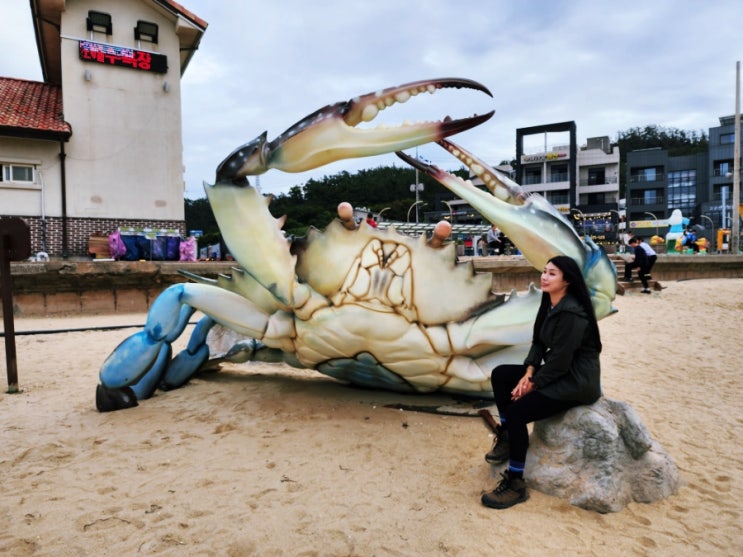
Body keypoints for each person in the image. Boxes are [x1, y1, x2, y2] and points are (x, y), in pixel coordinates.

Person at [481, 255, 603, 509]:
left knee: (517, 412)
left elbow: (560, 361)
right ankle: (507, 437)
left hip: (577, 382)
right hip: (559, 371)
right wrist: (528, 372)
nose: (544, 277)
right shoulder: (550, 301)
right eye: (544, 271)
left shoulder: (572, 313)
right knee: (501, 375)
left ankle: (515, 482)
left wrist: (533, 384)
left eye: (552, 274)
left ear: (567, 281)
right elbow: (538, 342)